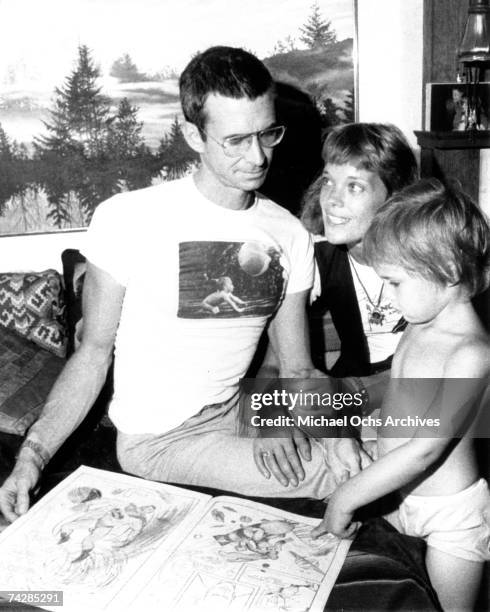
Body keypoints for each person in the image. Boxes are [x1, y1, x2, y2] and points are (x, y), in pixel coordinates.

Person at [0, 46, 362, 522]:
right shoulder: (127, 218)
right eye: (235, 140)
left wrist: (293, 421)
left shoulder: (288, 232)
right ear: (193, 134)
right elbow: (92, 354)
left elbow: (297, 366)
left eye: (267, 134)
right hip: (160, 440)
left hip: (241, 408)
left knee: (425, 425)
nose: (257, 157)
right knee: (358, 472)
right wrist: (32, 457)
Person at [314, 179, 490, 611]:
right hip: (397, 500)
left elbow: (423, 453)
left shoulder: (473, 354)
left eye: (394, 283)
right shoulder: (418, 323)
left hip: (450, 518)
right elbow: (402, 397)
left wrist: (347, 496)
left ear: (447, 269)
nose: (388, 299)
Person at [255, 123, 418, 480]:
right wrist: (270, 416)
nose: (332, 199)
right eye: (329, 180)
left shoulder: (427, 260)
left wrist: (350, 395)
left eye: (354, 186)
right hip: (346, 403)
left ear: (396, 198)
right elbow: (273, 366)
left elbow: (458, 376)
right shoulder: (315, 261)